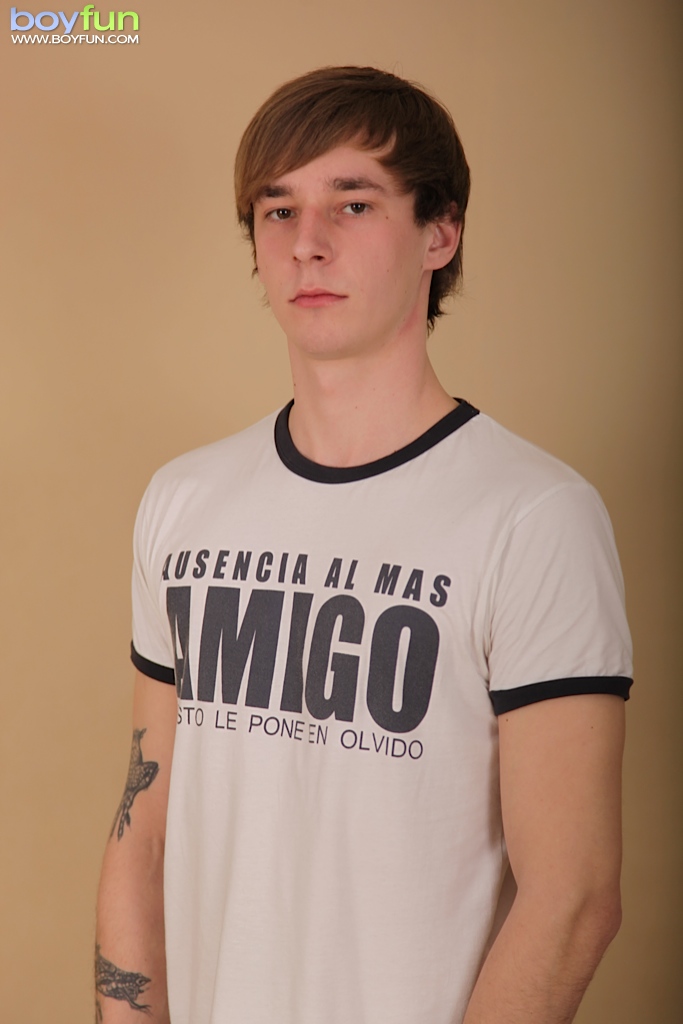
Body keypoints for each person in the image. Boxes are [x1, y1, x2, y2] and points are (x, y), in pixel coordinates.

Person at [95, 66, 633, 1024]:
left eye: (352, 203)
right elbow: (142, 833)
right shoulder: (184, 502)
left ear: (439, 233)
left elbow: (573, 898)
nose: (306, 243)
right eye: (277, 211)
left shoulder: (534, 515)